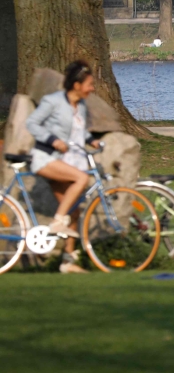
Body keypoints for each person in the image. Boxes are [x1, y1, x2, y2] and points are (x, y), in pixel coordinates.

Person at [24, 61, 103, 273]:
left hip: (69, 162)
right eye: (89, 84)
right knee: (81, 179)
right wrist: (51, 139)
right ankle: (58, 222)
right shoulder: (53, 101)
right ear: (77, 85)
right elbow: (32, 123)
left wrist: (91, 140)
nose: (92, 88)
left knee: (74, 211)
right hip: (46, 157)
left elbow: (79, 129)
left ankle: (68, 262)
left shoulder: (81, 105)